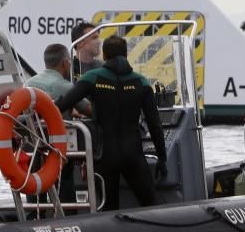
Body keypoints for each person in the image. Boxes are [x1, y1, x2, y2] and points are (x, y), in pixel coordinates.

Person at [55, 36, 166, 211]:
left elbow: (64, 104)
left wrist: (38, 109)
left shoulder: (92, 78)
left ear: (105, 56)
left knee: (109, 210)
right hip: (133, 155)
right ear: (126, 54)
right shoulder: (141, 82)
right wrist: (162, 158)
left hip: (105, 155)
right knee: (151, 204)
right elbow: (155, 125)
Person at [26, 44, 91, 208]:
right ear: (65, 64)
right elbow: (89, 109)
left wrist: (71, 112)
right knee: (65, 182)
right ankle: (68, 215)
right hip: (58, 148)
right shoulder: (65, 86)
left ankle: (33, 214)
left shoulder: (29, 82)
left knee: (35, 181)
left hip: (34, 145)